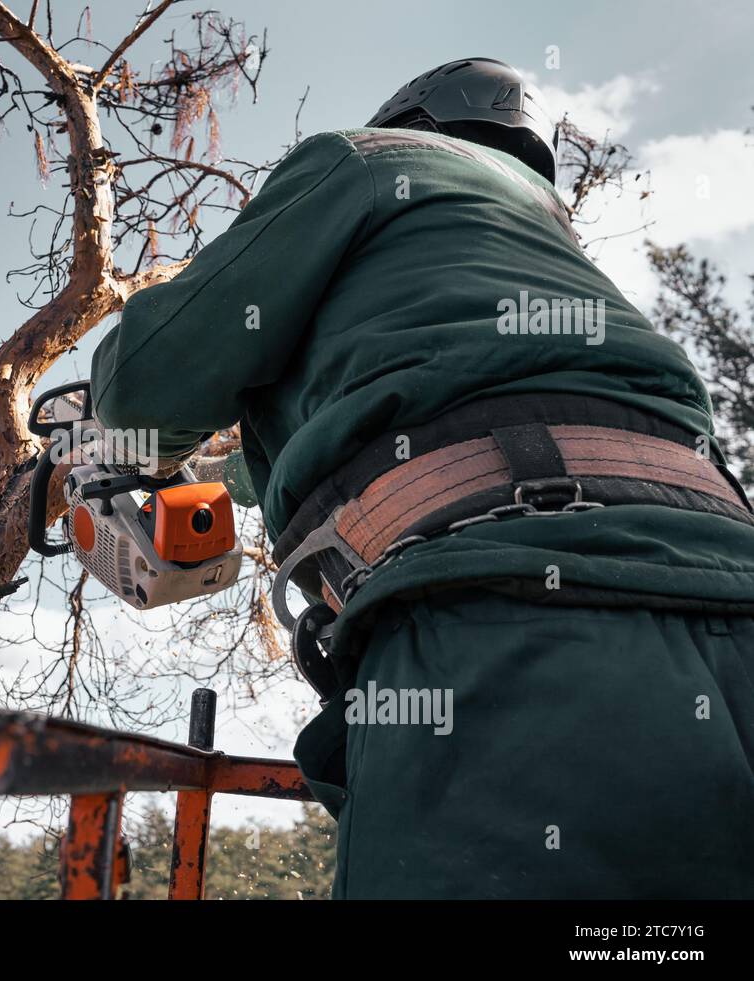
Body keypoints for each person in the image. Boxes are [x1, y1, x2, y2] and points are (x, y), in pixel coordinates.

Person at [89, 57, 754, 898]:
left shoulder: (366, 161)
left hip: (512, 629)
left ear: (410, 117)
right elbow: (425, 412)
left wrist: (115, 438)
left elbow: (147, 374)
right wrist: (221, 472)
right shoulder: (551, 242)